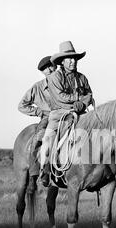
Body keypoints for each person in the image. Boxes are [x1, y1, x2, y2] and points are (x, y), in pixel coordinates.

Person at [39, 41, 93, 187]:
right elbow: (60, 97)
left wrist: (83, 103)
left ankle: (97, 172)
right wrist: (77, 100)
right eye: (69, 59)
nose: (73, 61)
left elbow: (89, 93)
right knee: (48, 140)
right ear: (62, 61)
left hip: (80, 113)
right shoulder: (55, 77)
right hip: (59, 115)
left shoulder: (82, 78)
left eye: (74, 58)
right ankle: (46, 169)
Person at [18, 55, 56, 193]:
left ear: (56, 66)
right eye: (46, 69)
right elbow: (22, 105)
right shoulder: (38, 88)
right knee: (37, 140)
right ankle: (34, 175)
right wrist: (38, 112)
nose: (50, 70)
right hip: (47, 118)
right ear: (43, 72)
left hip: (66, 116)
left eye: (51, 66)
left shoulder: (65, 83)